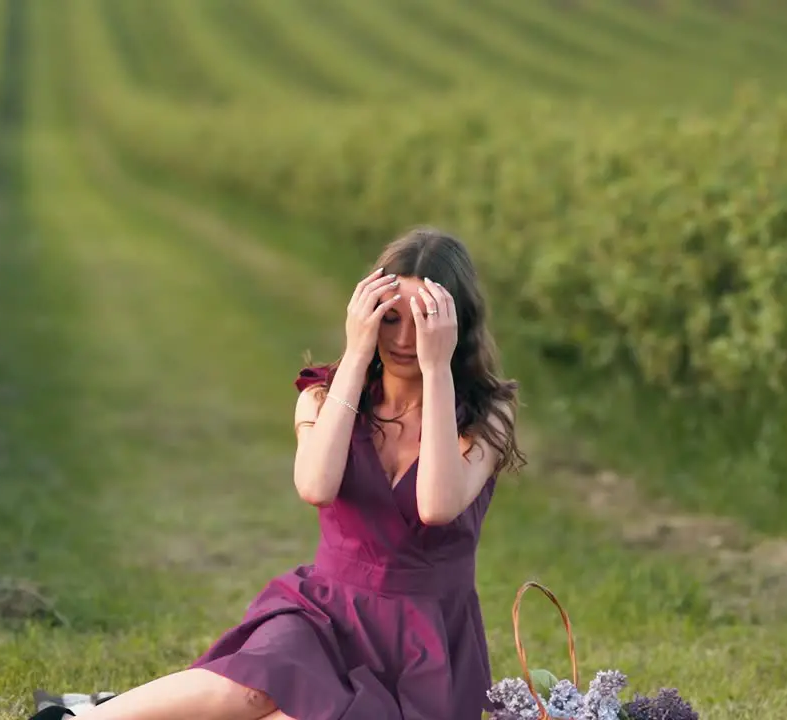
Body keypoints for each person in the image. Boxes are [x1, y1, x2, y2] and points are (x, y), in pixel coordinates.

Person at [29, 227, 526, 720]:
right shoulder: (321, 398)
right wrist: (355, 355)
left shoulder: (487, 415)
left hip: (426, 648)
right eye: (389, 319)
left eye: (421, 323)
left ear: (455, 324)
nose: (401, 340)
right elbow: (316, 486)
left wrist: (437, 370)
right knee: (249, 695)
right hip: (324, 618)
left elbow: (436, 506)